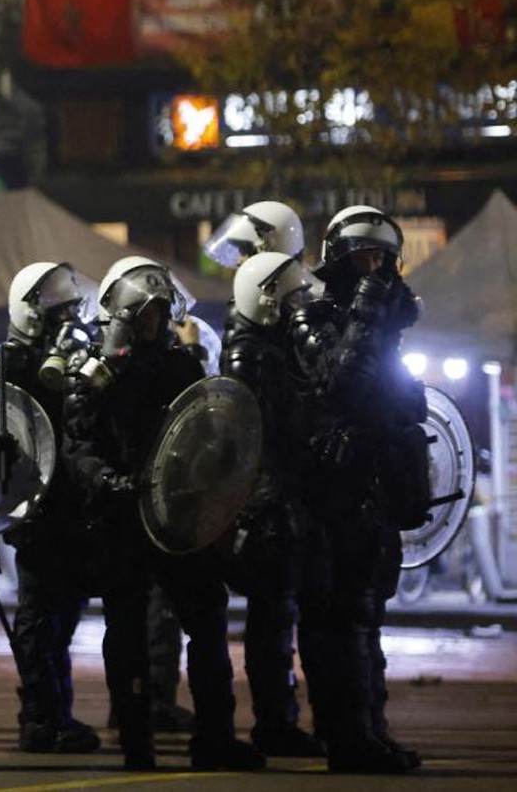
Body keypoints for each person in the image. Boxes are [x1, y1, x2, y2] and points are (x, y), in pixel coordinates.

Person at [64, 256, 263, 772]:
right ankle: (136, 741)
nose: (156, 318)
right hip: (124, 519)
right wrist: (106, 480)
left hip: (180, 514)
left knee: (207, 623)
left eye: (160, 309)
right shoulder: (94, 371)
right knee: (127, 633)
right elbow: (78, 445)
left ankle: (215, 737)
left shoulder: (181, 364)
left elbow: (207, 426)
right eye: (147, 310)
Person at [290, 206, 427, 773]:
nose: (376, 268)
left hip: (372, 484)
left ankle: (369, 728)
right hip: (329, 491)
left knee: (366, 615)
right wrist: (372, 305)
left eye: (383, 258)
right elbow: (340, 378)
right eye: (365, 257)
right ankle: (345, 737)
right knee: (335, 617)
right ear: (341, 260)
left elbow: (390, 395)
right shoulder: (311, 314)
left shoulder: (381, 323)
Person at [0, 261, 103, 755]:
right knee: (40, 617)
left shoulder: (66, 357)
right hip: (36, 507)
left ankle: (57, 711)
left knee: (64, 614)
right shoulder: (13, 363)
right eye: (61, 312)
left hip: (68, 507)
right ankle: (40, 716)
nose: (71, 320)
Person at [218, 251, 327, 757]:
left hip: (276, 495)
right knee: (272, 617)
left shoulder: (267, 346)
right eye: (290, 298)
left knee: (278, 616)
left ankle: (279, 718)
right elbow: (273, 428)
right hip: (267, 501)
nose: (298, 306)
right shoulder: (252, 355)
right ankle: (274, 721)